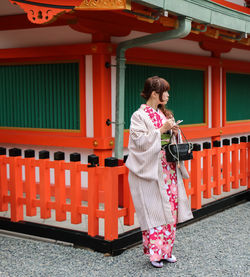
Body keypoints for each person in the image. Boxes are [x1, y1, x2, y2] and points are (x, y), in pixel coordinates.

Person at [125, 76, 193, 268]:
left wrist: (173, 131)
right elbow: (138, 142)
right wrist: (160, 130)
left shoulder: (162, 114)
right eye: (165, 91)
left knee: (170, 208)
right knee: (154, 211)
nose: (168, 94)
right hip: (152, 170)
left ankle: (167, 251)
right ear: (155, 94)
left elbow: (166, 137)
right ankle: (155, 254)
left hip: (168, 169)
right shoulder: (139, 116)